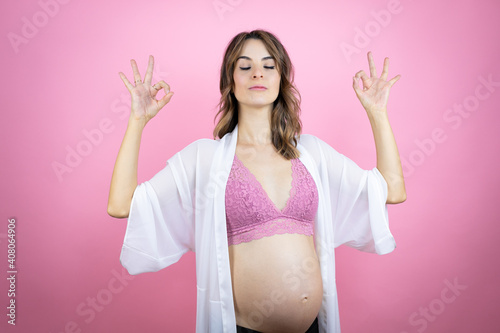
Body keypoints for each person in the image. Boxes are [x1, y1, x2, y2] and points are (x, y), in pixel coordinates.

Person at [107, 29, 406, 333]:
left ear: (281, 78)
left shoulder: (312, 153)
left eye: (269, 65)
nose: (257, 74)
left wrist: (378, 113)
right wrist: (137, 120)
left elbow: (391, 190)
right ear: (230, 81)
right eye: (245, 66)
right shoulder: (205, 159)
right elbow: (121, 205)